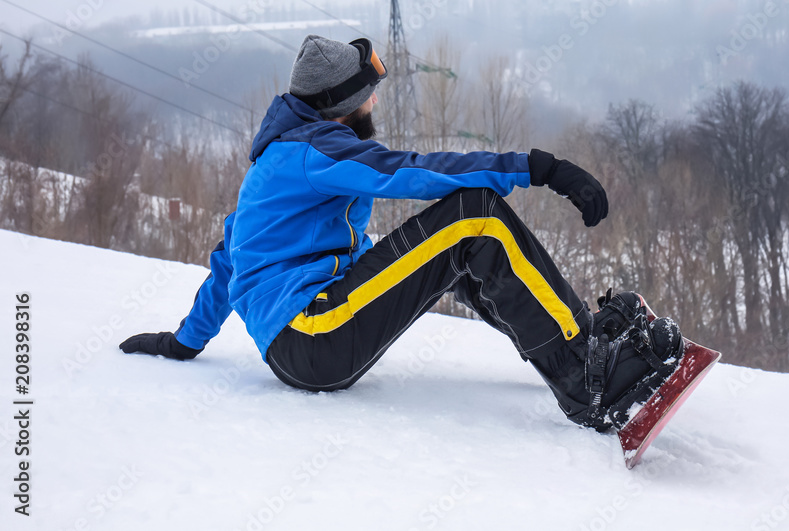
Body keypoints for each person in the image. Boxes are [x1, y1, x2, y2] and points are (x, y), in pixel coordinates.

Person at [120, 35, 685, 431]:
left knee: (461, 255)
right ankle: (589, 382)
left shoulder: (275, 163)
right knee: (474, 217)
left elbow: (228, 264)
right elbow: (411, 172)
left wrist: (182, 343)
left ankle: (579, 341)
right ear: (341, 106)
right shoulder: (316, 149)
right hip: (314, 334)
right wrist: (539, 168)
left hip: (303, 343)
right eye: (367, 94)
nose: (373, 102)